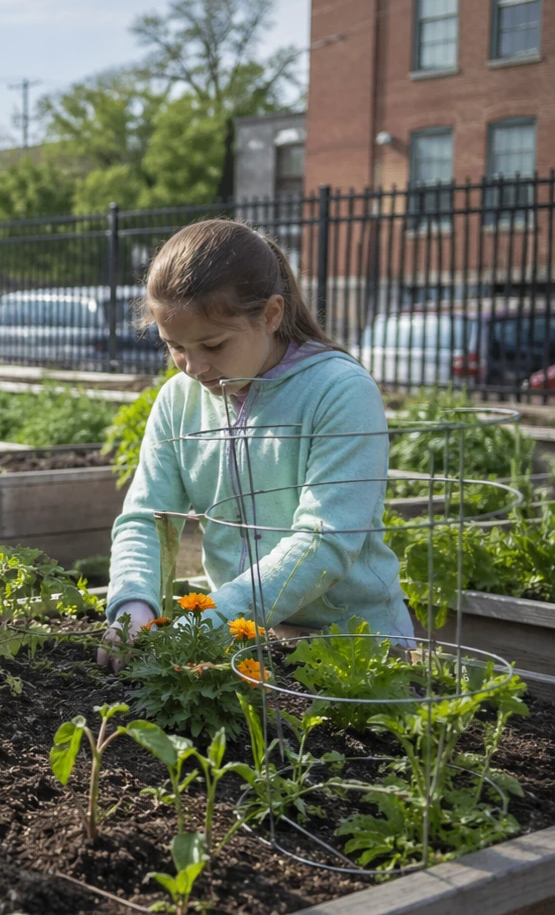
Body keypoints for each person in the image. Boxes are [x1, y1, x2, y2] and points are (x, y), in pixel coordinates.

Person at [99, 219, 413, 670]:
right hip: (244, 644)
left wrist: (213, 618)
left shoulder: (340, 390)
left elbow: (323, 540)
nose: (192, 366)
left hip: (357, 649)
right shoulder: (179, 399)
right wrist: (133, 606)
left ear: (270, 314)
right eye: (175, 346)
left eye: (213, 344)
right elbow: (147, 517)